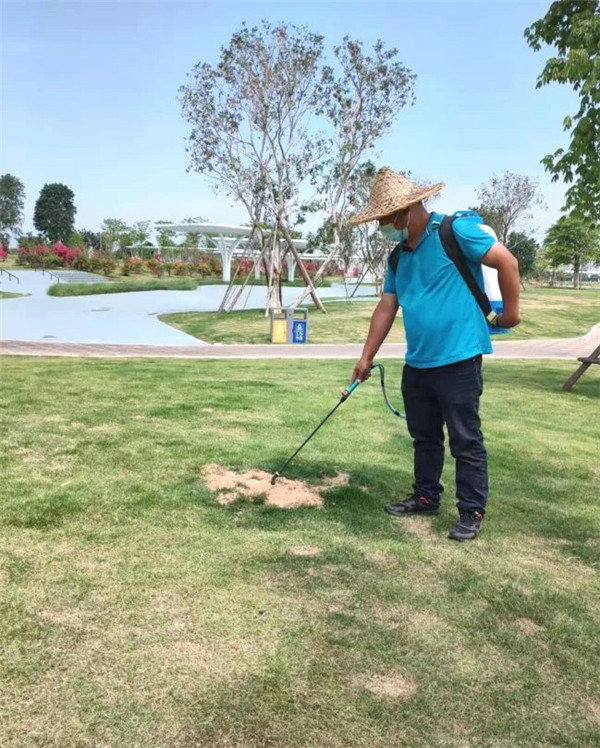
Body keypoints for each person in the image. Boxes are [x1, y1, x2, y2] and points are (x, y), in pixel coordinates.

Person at [349, 167, 521, 541]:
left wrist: (511, 314)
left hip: (459, 358)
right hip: (418, 362)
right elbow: (386, 307)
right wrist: (366, 357)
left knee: (465, 439)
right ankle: (426, 496)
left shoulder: (454, 231)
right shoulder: (398, 258)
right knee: (424, 436)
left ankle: (471, 510)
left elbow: (507, 262)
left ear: (405, 211)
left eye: (384, 219)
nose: (381, 226)